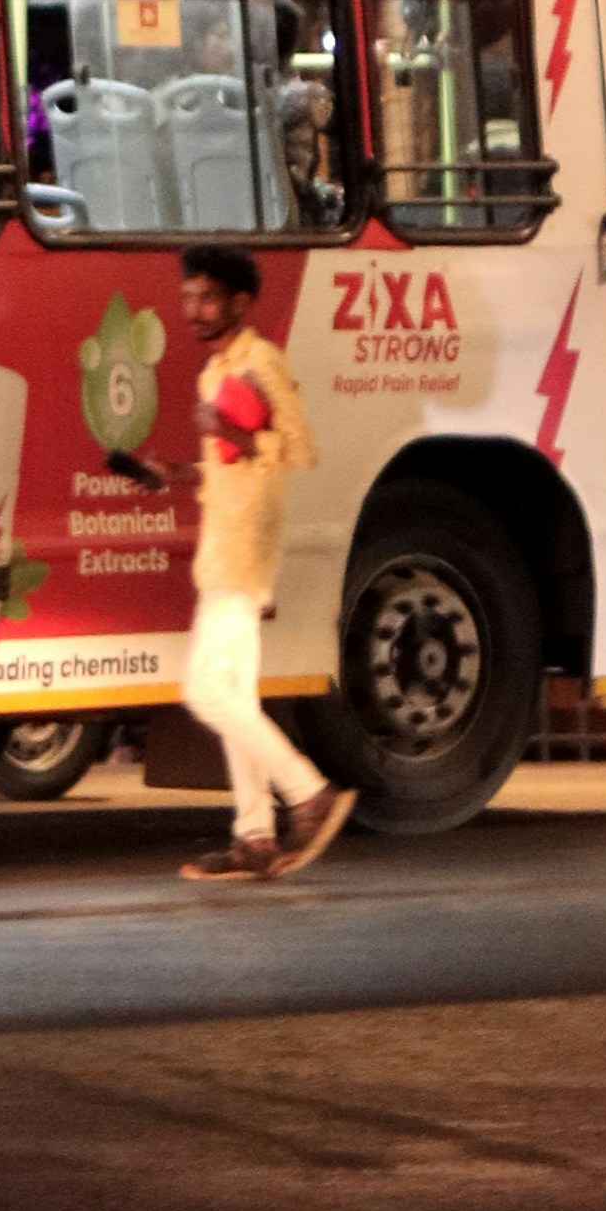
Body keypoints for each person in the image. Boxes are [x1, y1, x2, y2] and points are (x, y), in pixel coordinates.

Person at [168, 246, 355, 890]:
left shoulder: (262, 363)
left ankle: (308, 792)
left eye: (208, 298)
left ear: (242, 304)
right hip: (222, 545)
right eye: (188, 297)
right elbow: (229, 465)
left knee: (205, 692)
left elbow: (301, 448)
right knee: (236, 695)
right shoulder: (215, 372)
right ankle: (255, 836)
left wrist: (238, 433)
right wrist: (179, 472)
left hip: (245, 550)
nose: (193, 310)